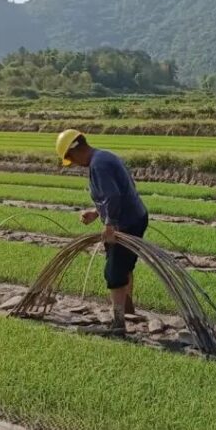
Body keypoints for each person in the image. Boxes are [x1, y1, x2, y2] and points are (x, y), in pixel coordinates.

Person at [55, 129, 149, 334]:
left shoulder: (98, 165)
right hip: (135, 217)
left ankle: (118, 323)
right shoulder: (104, 157)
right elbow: (117, 192)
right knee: (123, 264)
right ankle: (127, 309)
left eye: (70, 158)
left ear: (75, 151)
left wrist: (110, 225)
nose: (75, 164)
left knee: (114, 272)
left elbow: (113, 196)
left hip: (126, 222)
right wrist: (97, 213)